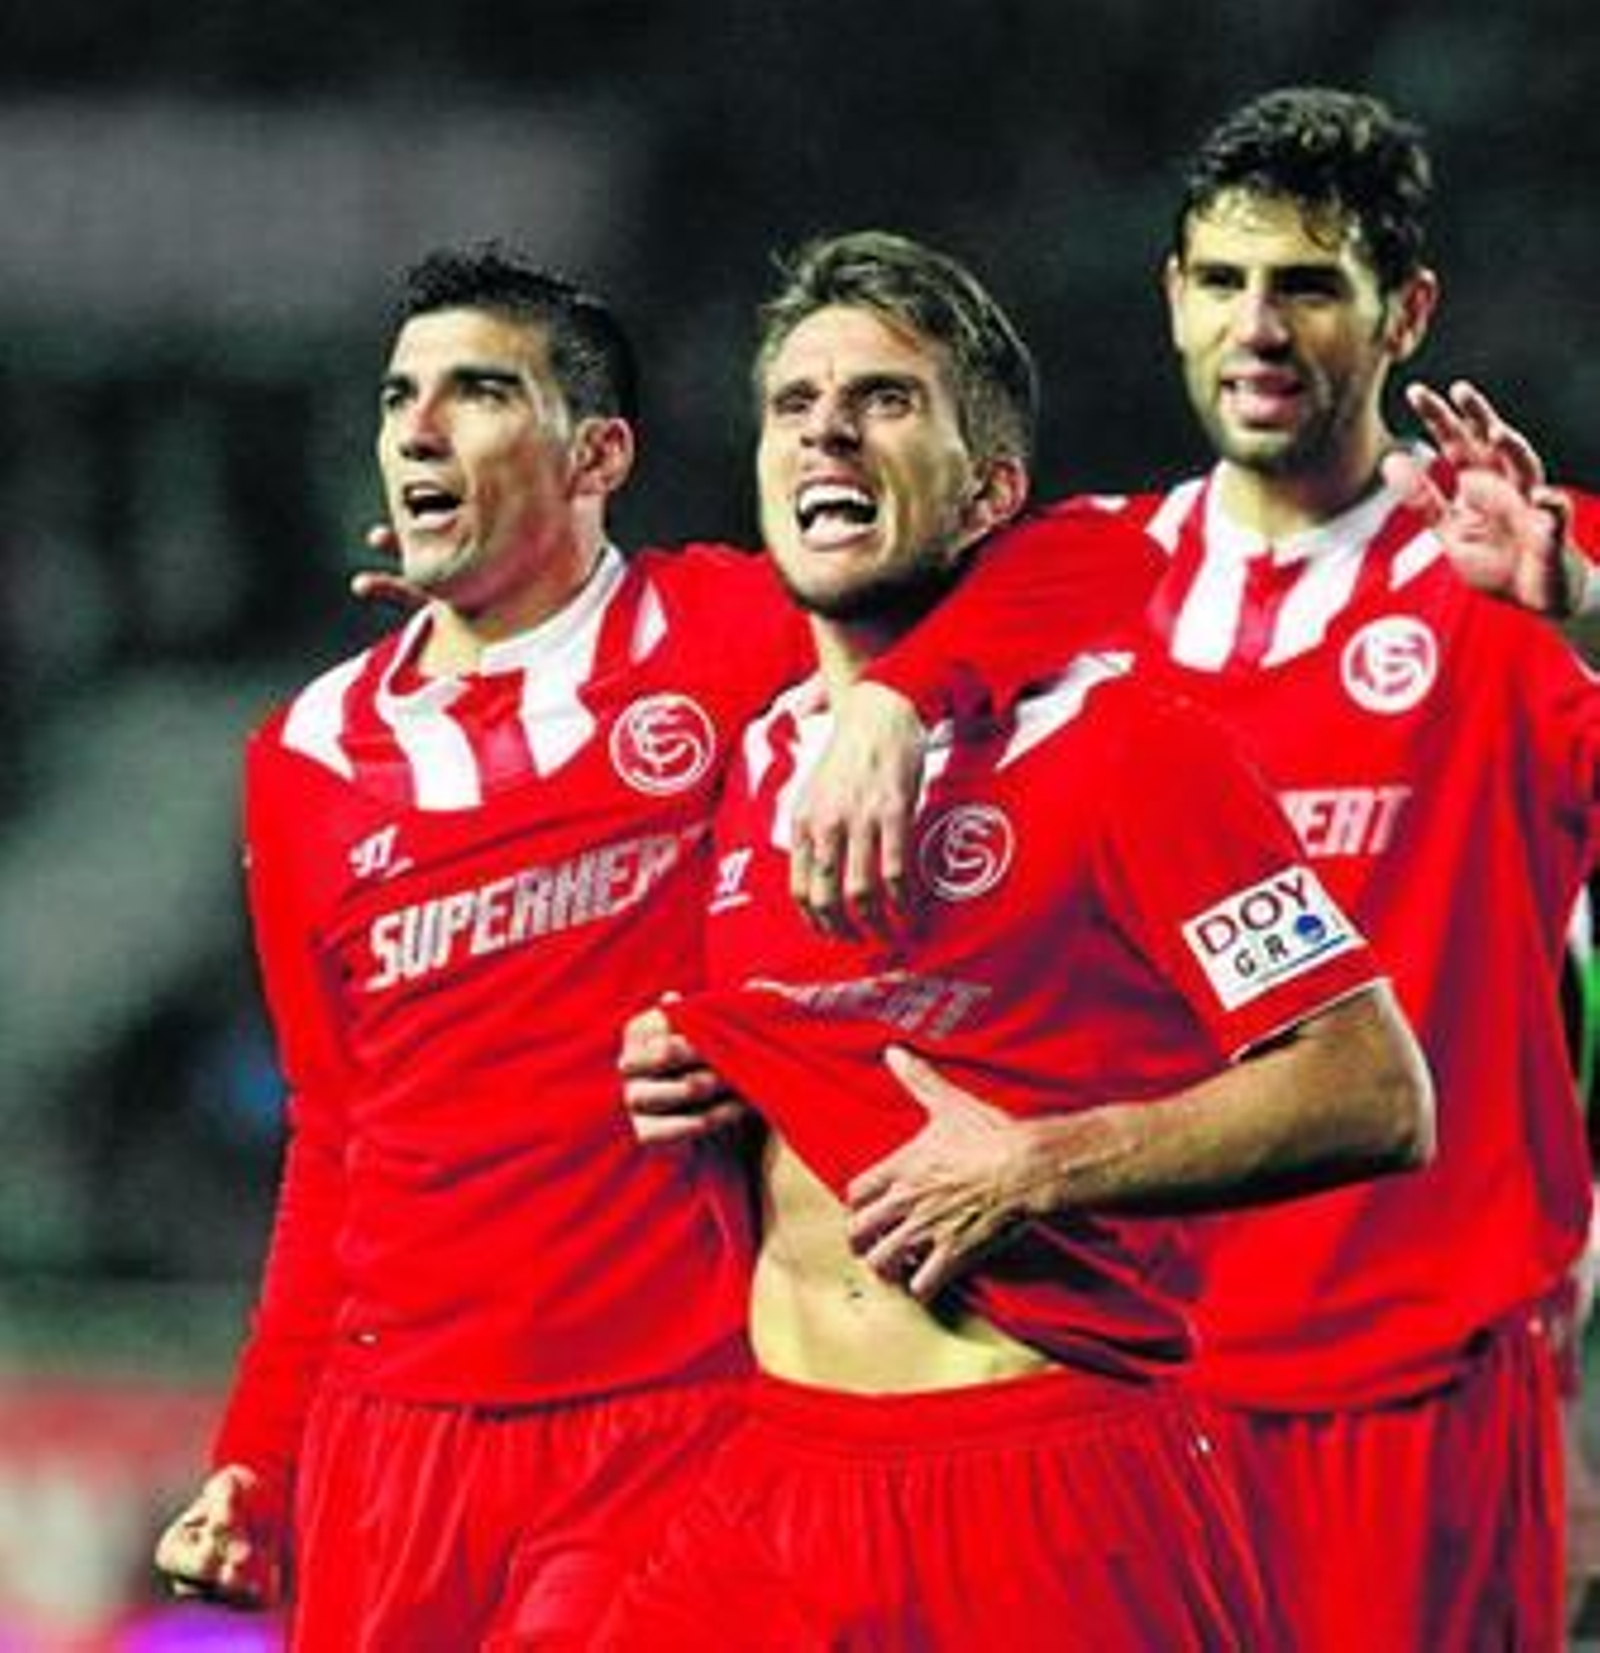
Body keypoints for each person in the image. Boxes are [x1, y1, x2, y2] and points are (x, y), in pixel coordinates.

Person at [149, 244, 1160, 1648]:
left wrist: (898, 703)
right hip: (394, 1441)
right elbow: (334, 1135)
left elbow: (1106, 553)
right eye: (399, 397)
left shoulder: (731, 628)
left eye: (479, 390)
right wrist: (261, 1453)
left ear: (596, 452)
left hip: (665, 1417)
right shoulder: (304, 757)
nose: (419, 429)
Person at [792, 90, 1600, 1649]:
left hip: (1410, 1388)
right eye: (1223, 281)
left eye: (1308, 284)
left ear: (1405, 311)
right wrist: (889, 705)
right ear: (1171, 297)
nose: (1259, 326)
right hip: (1122, 1388)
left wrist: (1572, 594)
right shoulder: (1075, 578)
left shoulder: (1514, 580)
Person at [597, 229, 1435, 1649]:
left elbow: (1373, 1089)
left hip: (1047, 1480)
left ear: (989, 492)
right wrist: (696, 1076)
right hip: (777, 1485)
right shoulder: (751, 759)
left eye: (883, 399)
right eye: (795, 404)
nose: (828, 432)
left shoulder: (1133, 748)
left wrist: (1039, 1161)